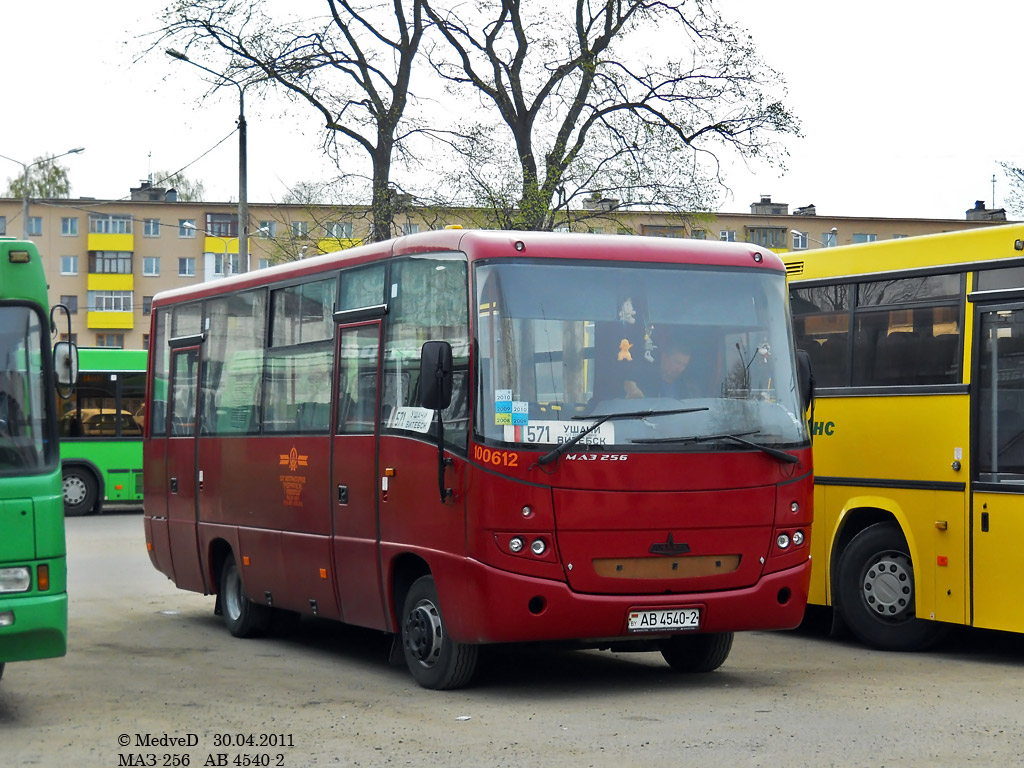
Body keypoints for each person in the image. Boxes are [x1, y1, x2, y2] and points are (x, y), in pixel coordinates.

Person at [623, 338, 698, 399]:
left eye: (684, 365)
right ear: (664, 357)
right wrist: (632, 390)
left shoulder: (689, 389)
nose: (680, 368)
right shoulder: (643, 381)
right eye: (677, 362)